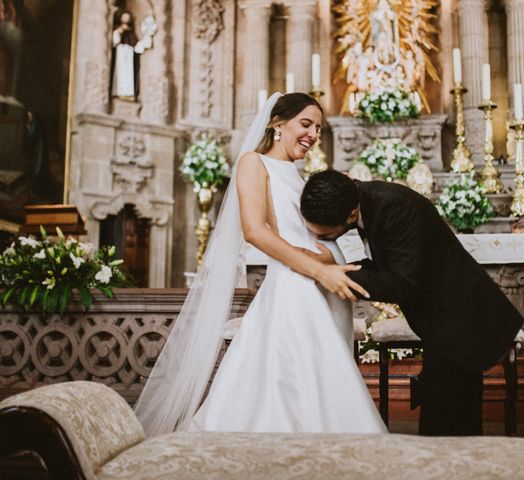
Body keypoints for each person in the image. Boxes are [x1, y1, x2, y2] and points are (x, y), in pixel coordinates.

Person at [135, 93, 386, 436]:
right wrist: (317, 270)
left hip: (325, 285)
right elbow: (254, 231)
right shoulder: (254, 163)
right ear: (277, 124)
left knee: (323, 377)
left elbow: (315, 233)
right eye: (306, 124)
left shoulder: (299, 175)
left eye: (318, 128)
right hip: (296, 287)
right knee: (291, 385)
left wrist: (331, 257)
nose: (313, 134)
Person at [300, 170, 523, 436]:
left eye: (327, 235)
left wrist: (338, 276)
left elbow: (402, 283)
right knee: (442, 414)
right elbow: (389, 264)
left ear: (350, 215)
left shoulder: (395, 207)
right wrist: (339, 268)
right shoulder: (366, 202)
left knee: (449, 421)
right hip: (443, 321)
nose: (325, 240)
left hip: (461, 320)